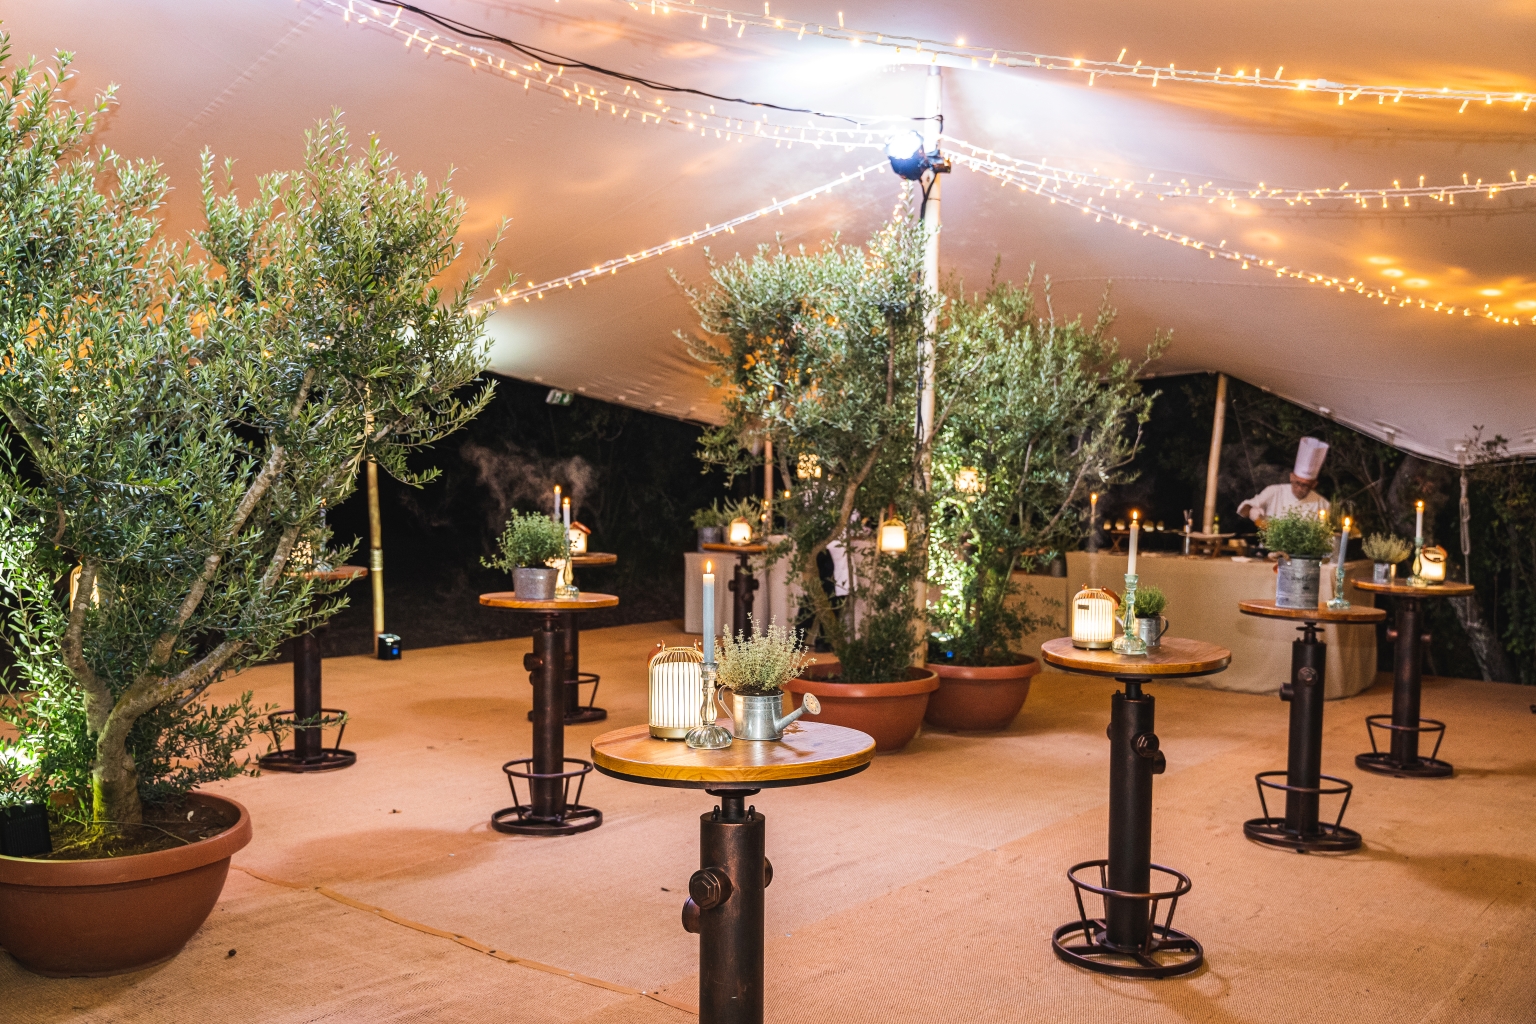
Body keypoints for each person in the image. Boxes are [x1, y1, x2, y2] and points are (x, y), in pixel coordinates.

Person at [1238, 437, 1331, 530]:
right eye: (1297, 483)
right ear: (1291, 477)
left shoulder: (1322, 504)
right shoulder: (1274, 491)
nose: (1299, 488)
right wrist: (1252, 512)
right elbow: (1242, 509)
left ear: (1314, 484)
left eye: (1305, 485)